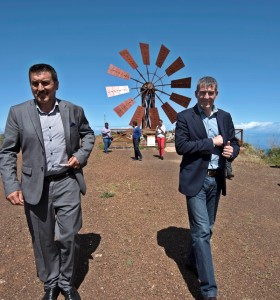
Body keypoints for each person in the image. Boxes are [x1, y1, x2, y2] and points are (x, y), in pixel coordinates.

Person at [0, 63, 95, 300]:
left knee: (69, 235)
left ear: (56, 84)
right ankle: (51, 283)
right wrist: (11, 185)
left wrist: (80, 156)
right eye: (35, 83)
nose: (40, 88)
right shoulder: (17, 113)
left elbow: (89, 135)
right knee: (43, 239)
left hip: (67, 181)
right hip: (36, 185)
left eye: (45, 83)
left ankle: (66, 282)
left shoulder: (73, 110)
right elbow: (8, 151)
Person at [175, 76, 240, 300]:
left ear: (216, 94)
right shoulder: (185, 117)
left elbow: (233, 142)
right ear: (196, 94)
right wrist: (212, 143)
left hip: (216, 179)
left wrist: (233, 151)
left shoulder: (225, 117)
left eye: (210, 93)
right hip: (196, 180)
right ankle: (209, 291)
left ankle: (192, 260)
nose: (206, 96)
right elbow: (181, 146)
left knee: (208, 228)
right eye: (202, 92)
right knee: (202, 232)